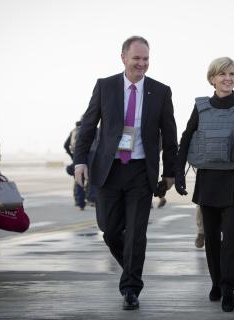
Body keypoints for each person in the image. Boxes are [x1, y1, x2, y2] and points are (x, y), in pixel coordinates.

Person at [74, 36, 178, 310]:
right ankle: (131, 267)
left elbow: (170, 136)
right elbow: (87, 125)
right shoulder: (105, 86)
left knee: (136, 233)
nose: (141, 64)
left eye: (145, 59)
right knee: (109, 230)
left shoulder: (161, 91)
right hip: (108, 171)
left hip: (140, 171)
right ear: (123, 58)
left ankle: (131, 287)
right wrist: (80, 161)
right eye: (136, 58)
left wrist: (170, 173)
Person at [175, 57, 234, 312]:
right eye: (223, 74)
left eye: (232, 74)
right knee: (212, 240)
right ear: (213, 78)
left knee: (232, 241)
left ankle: (228, 288)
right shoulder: (201, 107)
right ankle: (216, 282)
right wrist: (179, 172)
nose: (228, 78)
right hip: (209, 180)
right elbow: (186, 137)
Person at [64, 121, 86, 210]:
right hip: (86, 156)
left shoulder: (73, 131)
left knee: (78, 179)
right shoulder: (86, 130)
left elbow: (65, 145)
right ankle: (88, 200)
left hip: (76, 157)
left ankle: (79, 201)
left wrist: (72, 156)